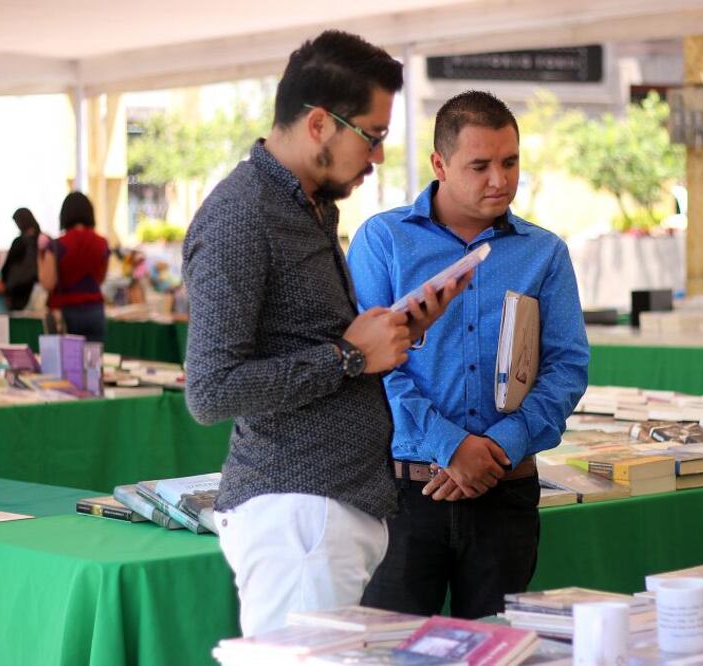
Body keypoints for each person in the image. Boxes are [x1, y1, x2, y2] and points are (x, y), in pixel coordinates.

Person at [182, 31, 466, 637]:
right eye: (374, 134)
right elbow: (211, 391)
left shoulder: (304, 204)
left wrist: (392, 335)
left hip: (324, 509)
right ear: (319, 124)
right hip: (298, 516)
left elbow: (305, 342)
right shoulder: (242, 215)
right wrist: (347, 356)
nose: (380, 156)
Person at [348, 90, 589, 619]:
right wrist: (451, 446)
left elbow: (567, 369)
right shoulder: (384, 241)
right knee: (393, 652)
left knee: (500, 650)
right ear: (439, 164)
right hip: (404, 493)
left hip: (506, 494)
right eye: (479, 166)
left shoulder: (544, 252)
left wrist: (497, 448)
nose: (499, 180)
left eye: (510, 162)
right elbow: (371, 366)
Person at [37, 192, 110, 342]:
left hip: (66, 312)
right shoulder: (102, 243)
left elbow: (48, 283)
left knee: (66, 362)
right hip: (94, 310)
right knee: (93, 362)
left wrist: (40, 255)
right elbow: (101, 278)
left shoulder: (57, 245)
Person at [0, 208, 41, 311]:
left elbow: (7, 267)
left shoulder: (18, 242)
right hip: (37, 289)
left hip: (17, 291)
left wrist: (6, 288)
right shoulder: (41, 239)